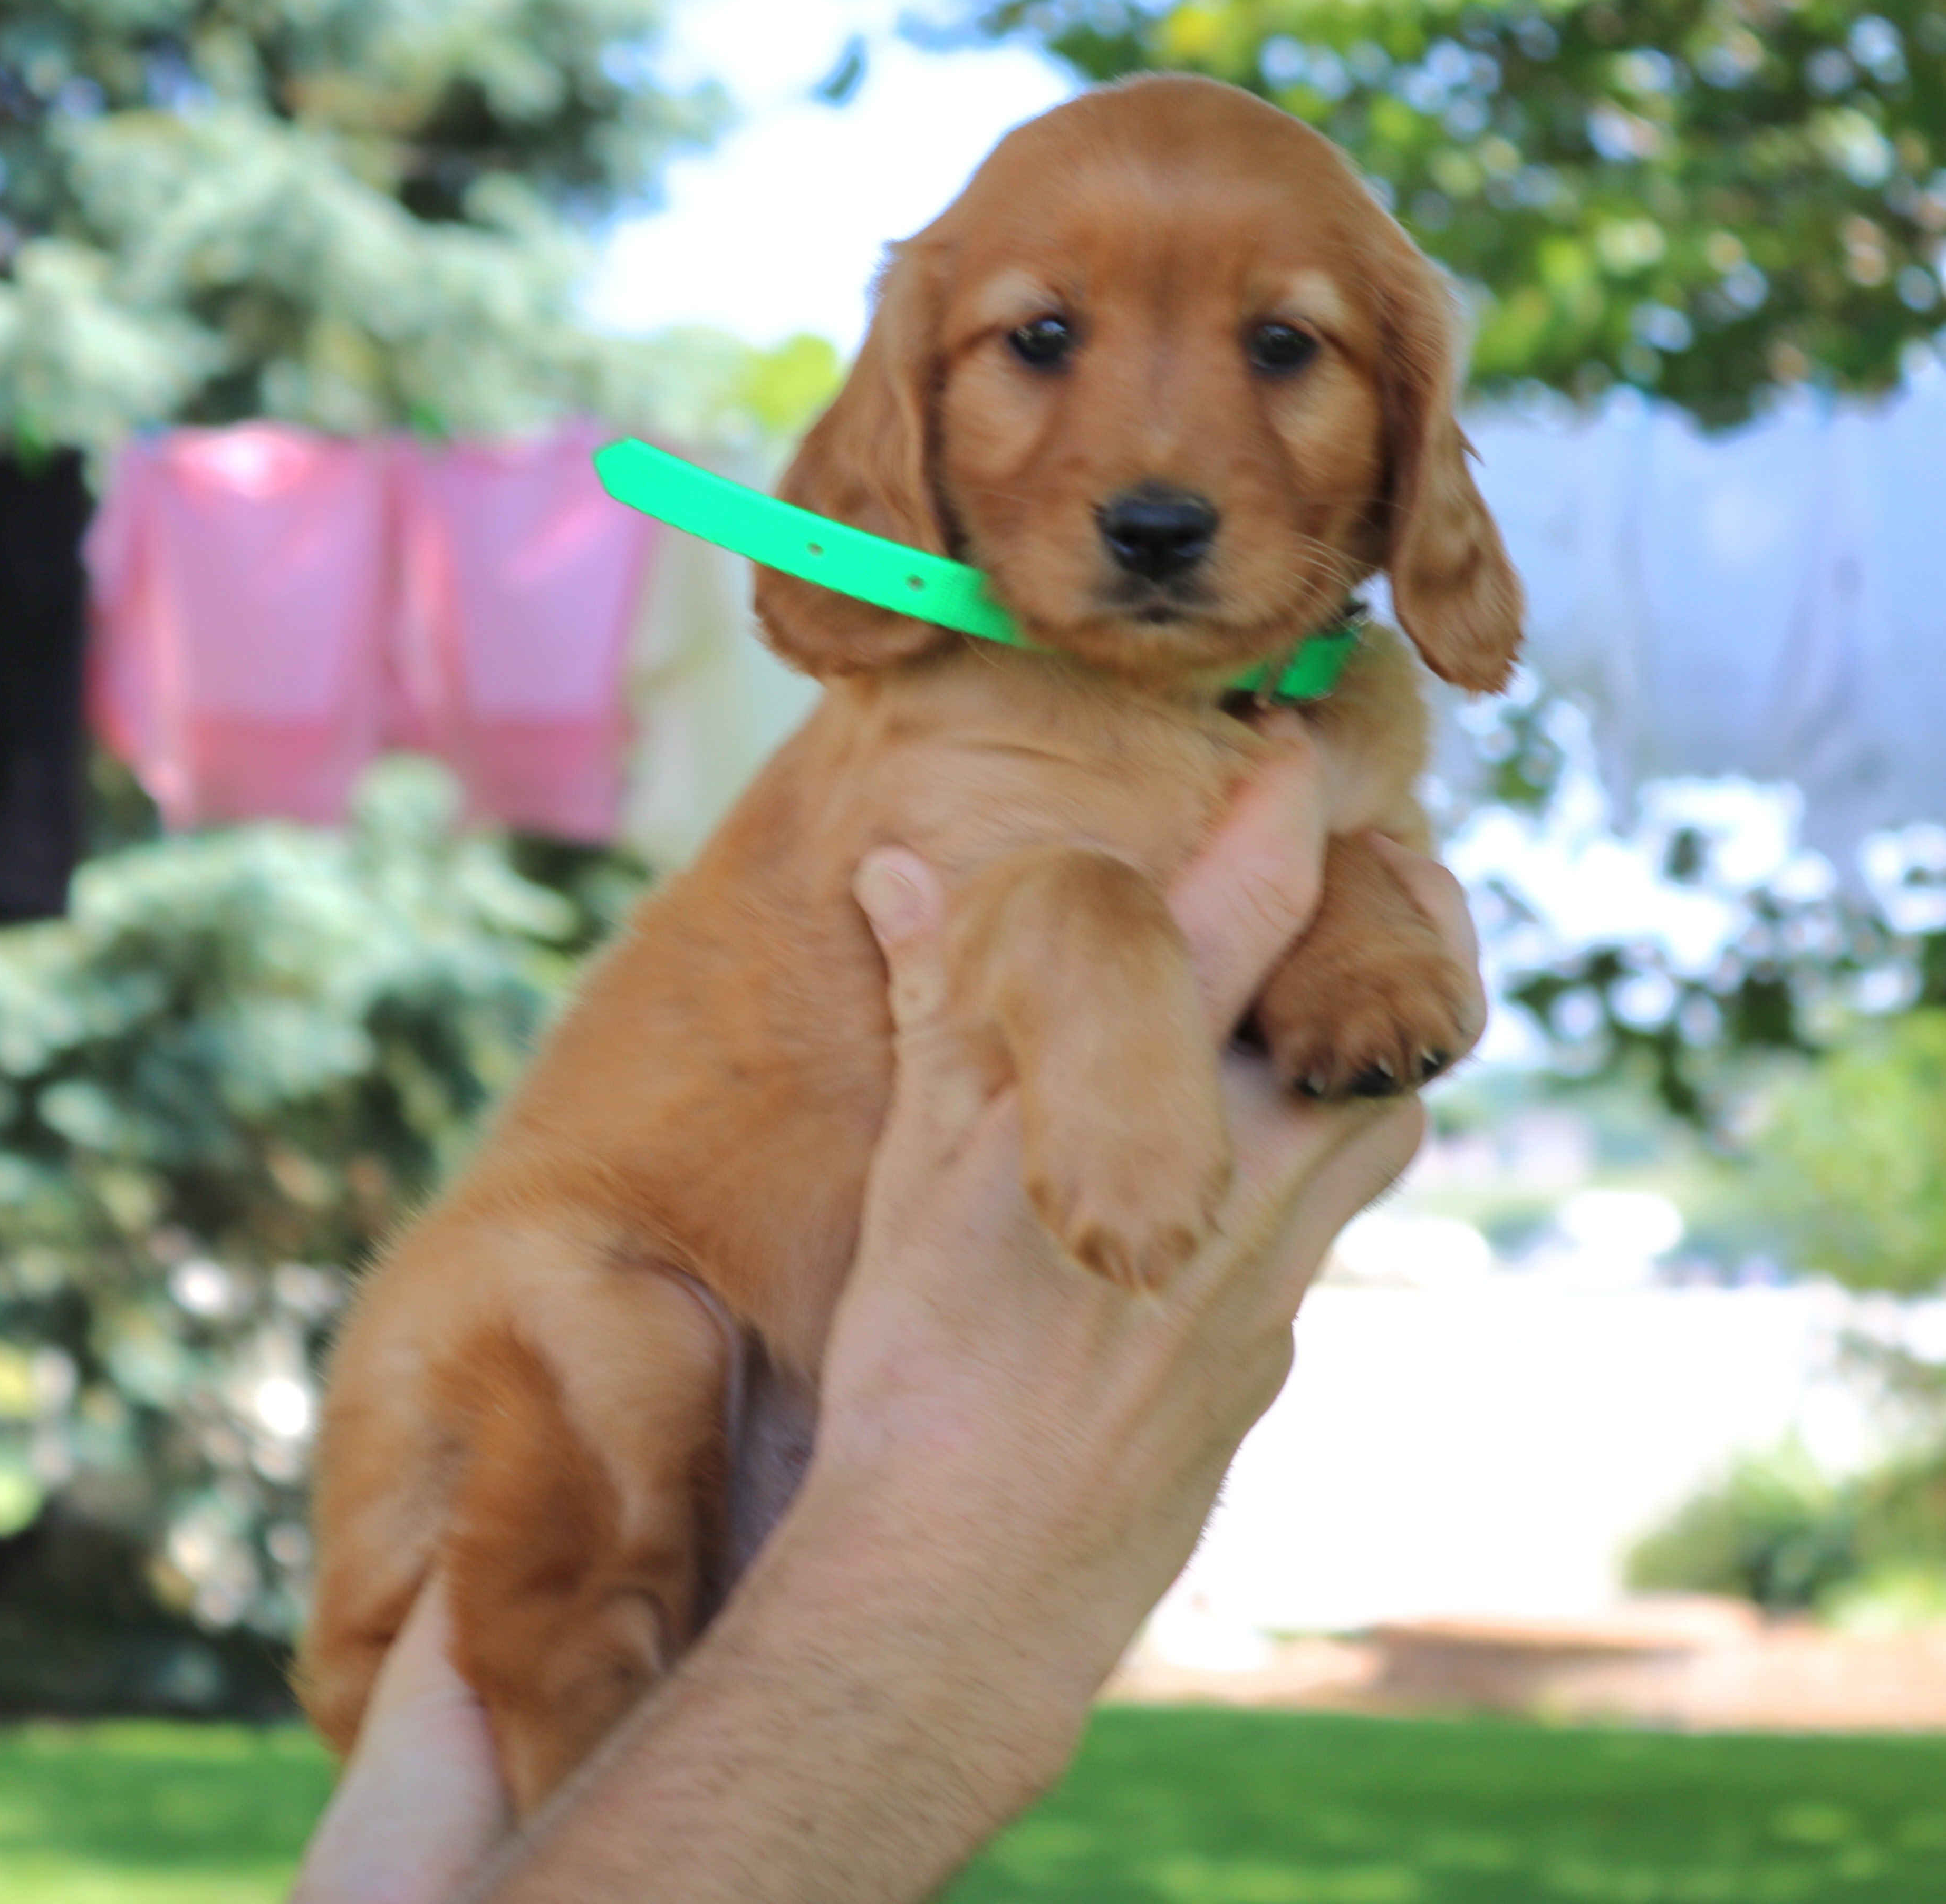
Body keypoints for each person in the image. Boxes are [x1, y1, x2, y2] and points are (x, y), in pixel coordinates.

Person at [292, 727, 1481, 1904]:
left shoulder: (1328, 727)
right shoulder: (938, 704)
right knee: (571, 1589)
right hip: (616, 1308)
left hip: (745, 1435)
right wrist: (927, 1592)